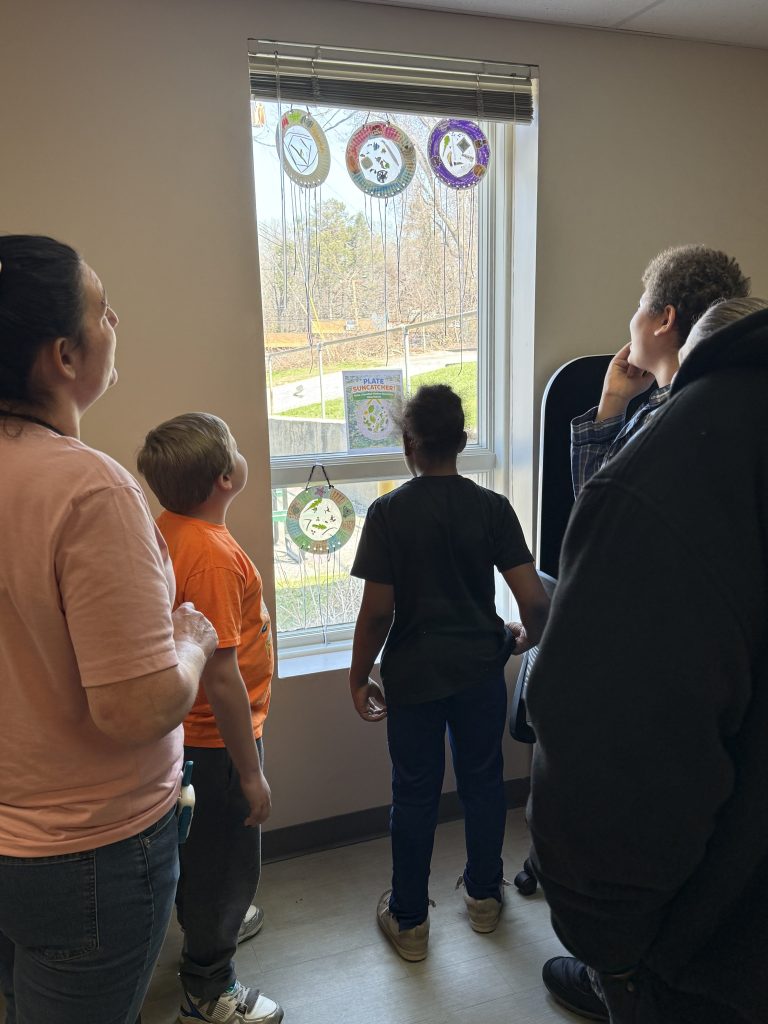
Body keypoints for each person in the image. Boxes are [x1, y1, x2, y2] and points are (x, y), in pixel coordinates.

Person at [527, 302, 768, 1023]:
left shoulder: (673, 460)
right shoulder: (675, 425)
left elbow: (613, 745)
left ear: (664, 319)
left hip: (703, 947)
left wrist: (610, 945)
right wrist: (612, 404)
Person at [0, 234, 218, 1024]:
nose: (115, 320)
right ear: (63, 355)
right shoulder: (89, 491)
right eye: (101, 310)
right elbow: (133, 708)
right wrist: (190, 643)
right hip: (84, 852)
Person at [349, 384, 550, 961]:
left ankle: (410, 921)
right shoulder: (492, 508)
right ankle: (485, 898)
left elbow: (378, 612)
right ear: (462, 442)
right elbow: (535, 602)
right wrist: (525, 638)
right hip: (479, 672)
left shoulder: (388, 513)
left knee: (413, 794)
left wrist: (358, 676)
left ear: (408, 445)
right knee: (484, 783)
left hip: (413, 678)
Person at [137, 413, 282, 1024]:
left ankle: (208, 918)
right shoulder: (213, 557)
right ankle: (208, 985)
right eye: (237, 448)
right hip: (217, 740)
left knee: (201, 853)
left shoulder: (168, 528)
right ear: (225, 477)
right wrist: (250, 773)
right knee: (228, 862)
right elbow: (221, 677)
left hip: (186, 735)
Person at [571, 244, 749, 497]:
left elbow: (596, 509)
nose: (632, 320)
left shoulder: (660, 423)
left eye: (640, 306)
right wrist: (614, 397)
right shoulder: (724, 402)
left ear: (665, 320)